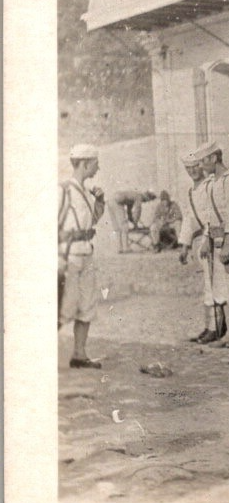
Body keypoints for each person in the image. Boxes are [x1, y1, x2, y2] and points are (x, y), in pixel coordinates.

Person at [196, 141, 229, 349]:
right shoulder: (212, 183)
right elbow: (210, 216)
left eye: (203, 161)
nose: (201, 166)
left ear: (213, 158)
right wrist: (207, 240)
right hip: (216, 241)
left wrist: (228, 243)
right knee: (221, 288)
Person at [58, 144, 106, 368]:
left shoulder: (87, 192)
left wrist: (100, 202)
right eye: (95, 164)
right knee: (62, 309)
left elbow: (92, 223)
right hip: (69, 257)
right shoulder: (64, 190)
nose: (98, 168)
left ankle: (79, 354)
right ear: (85, 163)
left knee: (87, 305)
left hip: (87, 253)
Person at [177, 151, 218, 342]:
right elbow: (189, 218)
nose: (193, 171)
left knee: (214, 283)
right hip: (199, 240)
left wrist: (208, 238)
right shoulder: (190, 191)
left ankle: (216, 327)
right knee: (207, 284)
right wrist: (184, 244)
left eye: (195, 166)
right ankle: (209, 325)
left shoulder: (210, 185)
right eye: (188, 168)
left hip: (211, 239)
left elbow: (213, 215)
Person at [108, 188, 156, 253]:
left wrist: (132, 220)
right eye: (147, 201)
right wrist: (135, 223)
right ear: (147, 197)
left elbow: (129, 211)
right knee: (124, 226)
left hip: (110, 201)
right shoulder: (139, 196)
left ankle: (119, 248)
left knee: (117, 228)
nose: (145, 202)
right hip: (117, 202)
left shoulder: (133, 195)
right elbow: (137, 211)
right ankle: (126, 248)